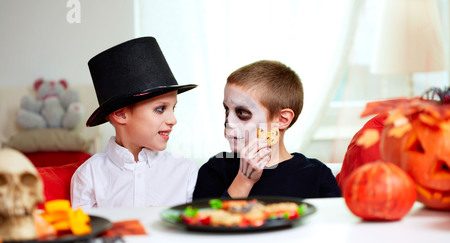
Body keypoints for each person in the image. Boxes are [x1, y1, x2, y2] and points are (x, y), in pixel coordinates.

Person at [71, 37, 198, 209]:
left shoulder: (186, 172)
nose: (173, 120)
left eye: (173, 108)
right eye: (160, 109)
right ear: (120, 114)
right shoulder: (89, 175)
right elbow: (86, 232)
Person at [193, 60, 341, 200]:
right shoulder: (215, 169)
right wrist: (243, 181)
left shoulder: (316, 174)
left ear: (282, 120)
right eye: (227, 110)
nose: (228, 122)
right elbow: (205, 222)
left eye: (242, 113)